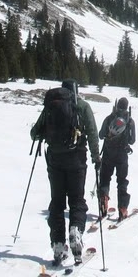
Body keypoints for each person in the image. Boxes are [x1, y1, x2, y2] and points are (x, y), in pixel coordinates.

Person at [30, 79, 100, 266]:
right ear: (76, 90)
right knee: (77, 201)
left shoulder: (51, 106)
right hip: (77, 160)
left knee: (57, 203)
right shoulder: (82, 106)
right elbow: (92, 132)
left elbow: (35, 133)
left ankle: (58, 243)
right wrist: (96, 157)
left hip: (55, 161)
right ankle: (76, 230)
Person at [97, 96, 136, 221]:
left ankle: (103, 202)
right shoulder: (129, 121)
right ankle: (122, 209)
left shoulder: (109, 118)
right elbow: (132, 140)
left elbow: (101, 135)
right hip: (122, 155)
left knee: (104, 178)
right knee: (122, 180)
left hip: (108, 153)